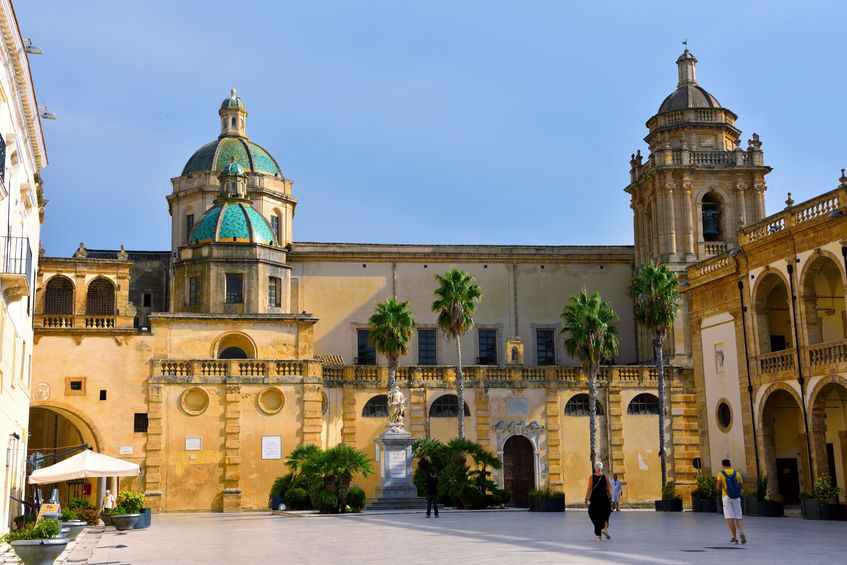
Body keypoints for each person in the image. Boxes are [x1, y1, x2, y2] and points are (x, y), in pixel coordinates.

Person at [716, 458, 746, 545]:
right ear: (730, 465)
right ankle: (741, 532)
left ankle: (735, 538)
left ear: (723, 465)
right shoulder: (736, 473)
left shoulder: (721, 474)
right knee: (738, 516)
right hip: (736, 497)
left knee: (730, 517)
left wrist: (724, 487)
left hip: (726, 497)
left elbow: (717, 487)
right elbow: (742, 486)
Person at [584, 461, 612, 540]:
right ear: (601, 468)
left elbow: (589, 489)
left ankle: (599, 536)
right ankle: (605, 529)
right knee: (606, 514)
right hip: (604, 498)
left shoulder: (591, 477)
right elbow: (609, 489)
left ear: (595, 468)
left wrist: (586, 498)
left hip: (595, 499)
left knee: (594, 514)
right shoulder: (606, 477)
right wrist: (610, 498)